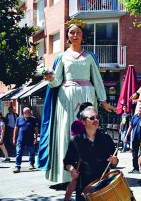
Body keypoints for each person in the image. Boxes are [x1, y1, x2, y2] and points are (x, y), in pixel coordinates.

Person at [38, 18, 115, 182]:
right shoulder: (62, 57)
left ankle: (90, 172)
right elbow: (57, 81)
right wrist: (50, 78)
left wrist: (103, 100)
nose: (75, 35)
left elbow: (97, 79)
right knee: (68, 132)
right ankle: (66, 175)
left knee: (87, 132)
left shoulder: (89, 57)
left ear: (82, 36)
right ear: (67, 36)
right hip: (66, 98)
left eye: (78, 32)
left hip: (87, 95)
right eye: (72, 32)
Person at [63, 106, 118, 201]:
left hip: (104, 188)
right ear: (83, 121)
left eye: (97, 117)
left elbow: (115, 159)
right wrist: (72, 170)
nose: (96, 120)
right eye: (92, 118)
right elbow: (67, 162)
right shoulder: (76, 141)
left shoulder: (105, 138)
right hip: (84, 189)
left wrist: (114, 161)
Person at [61, 101, 93, 201]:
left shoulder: (90, 122)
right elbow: (76, 141)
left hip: (89, 157)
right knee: (74, 181)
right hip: (78, 158)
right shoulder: (76, 123)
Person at [13, 107, 39, 173]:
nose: (29, 113)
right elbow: (15, 129)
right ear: (24, 113)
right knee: (19, 152)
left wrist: (36, 138)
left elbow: (36, 129)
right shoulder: (19, 119)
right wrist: (14, 138)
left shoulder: (33, 119)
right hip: (20, 139)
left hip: (30, 139)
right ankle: (17, 166)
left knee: (32, 152)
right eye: (28, 112)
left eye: (29, 112)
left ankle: (32, 164)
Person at [124, 103, 141, 173]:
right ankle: (135, 168)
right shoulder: (134, 117)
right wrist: (126, 136)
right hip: (134, 139)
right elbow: (130, 127)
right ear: (138, 109)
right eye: (140, 108)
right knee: (134, 154)